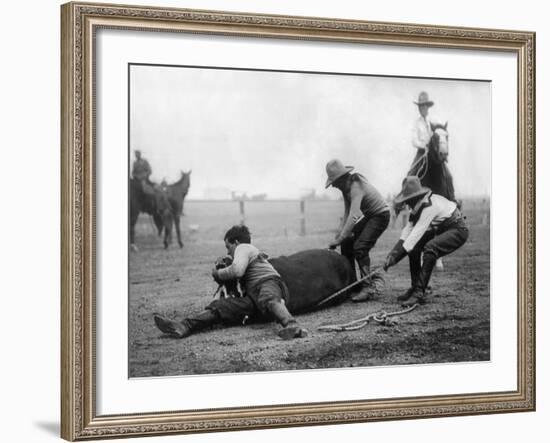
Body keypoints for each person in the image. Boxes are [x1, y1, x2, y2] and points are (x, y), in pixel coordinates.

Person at [153, 225, 307, 340]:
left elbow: (237, 270)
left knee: (268, 297)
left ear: (236, 243)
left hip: (268, 282)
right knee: (223, 307)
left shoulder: (244, 248)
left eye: (228, 247)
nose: (228, 252)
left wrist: (218, 273)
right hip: (255, 297)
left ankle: (292, 324)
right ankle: (184, 326)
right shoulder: (243, 254)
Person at [383, 176, 469, 307]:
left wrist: (395, 259)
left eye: (409, 200)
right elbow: (406, 232)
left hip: (458, 229)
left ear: (417, 197)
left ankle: (419, 292)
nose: (407, 204)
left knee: (430, 247)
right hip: (443, 229)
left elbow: (414, 236)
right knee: (415, 249)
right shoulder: (417, 207)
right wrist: (392, 255)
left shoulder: (429, 207)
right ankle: (415, 287)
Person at [325, 159, 390, 302]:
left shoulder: (355, 187)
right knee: (347, 243)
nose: (334, 186)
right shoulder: (346, 189)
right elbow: (347, 213)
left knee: (360, 247)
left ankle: (368, 287)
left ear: (342, 178)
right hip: (370, 215)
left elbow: (354, 215)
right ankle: (352, 284)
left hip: (380, 215)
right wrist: (339, 237)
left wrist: (340, 238)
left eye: (334, 182)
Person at [409, 91, 435, 175]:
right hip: (421, 153)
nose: (421, 108)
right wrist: (424, 145)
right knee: (411, 174)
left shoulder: (434, 121)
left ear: (427, 107)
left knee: (448, 176)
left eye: (423, 106)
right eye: (419, 106)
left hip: (434, 152)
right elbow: (414, 141)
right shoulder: (416, 123)